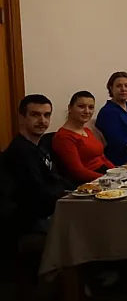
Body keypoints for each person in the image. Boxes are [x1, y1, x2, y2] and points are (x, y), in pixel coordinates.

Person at [3, 95, 71, 235]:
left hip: (49, 210)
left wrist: (81, 189)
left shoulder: (42, 145)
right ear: (22, 117)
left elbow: (55, 178)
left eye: (47, 115)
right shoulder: (20, 152)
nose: (42, 121)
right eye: (35, 115)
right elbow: (40, 195)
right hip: (29, 221)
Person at [52, 91, 115, 185]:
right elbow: (78, 171)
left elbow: (102, 157)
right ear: (70, 108)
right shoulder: (64, 137)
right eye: (81, 106)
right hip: (91, 182)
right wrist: (108, 179)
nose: (87, 111)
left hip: (104, 176)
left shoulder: (87, 131)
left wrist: (117, 173)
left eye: (91, 107)